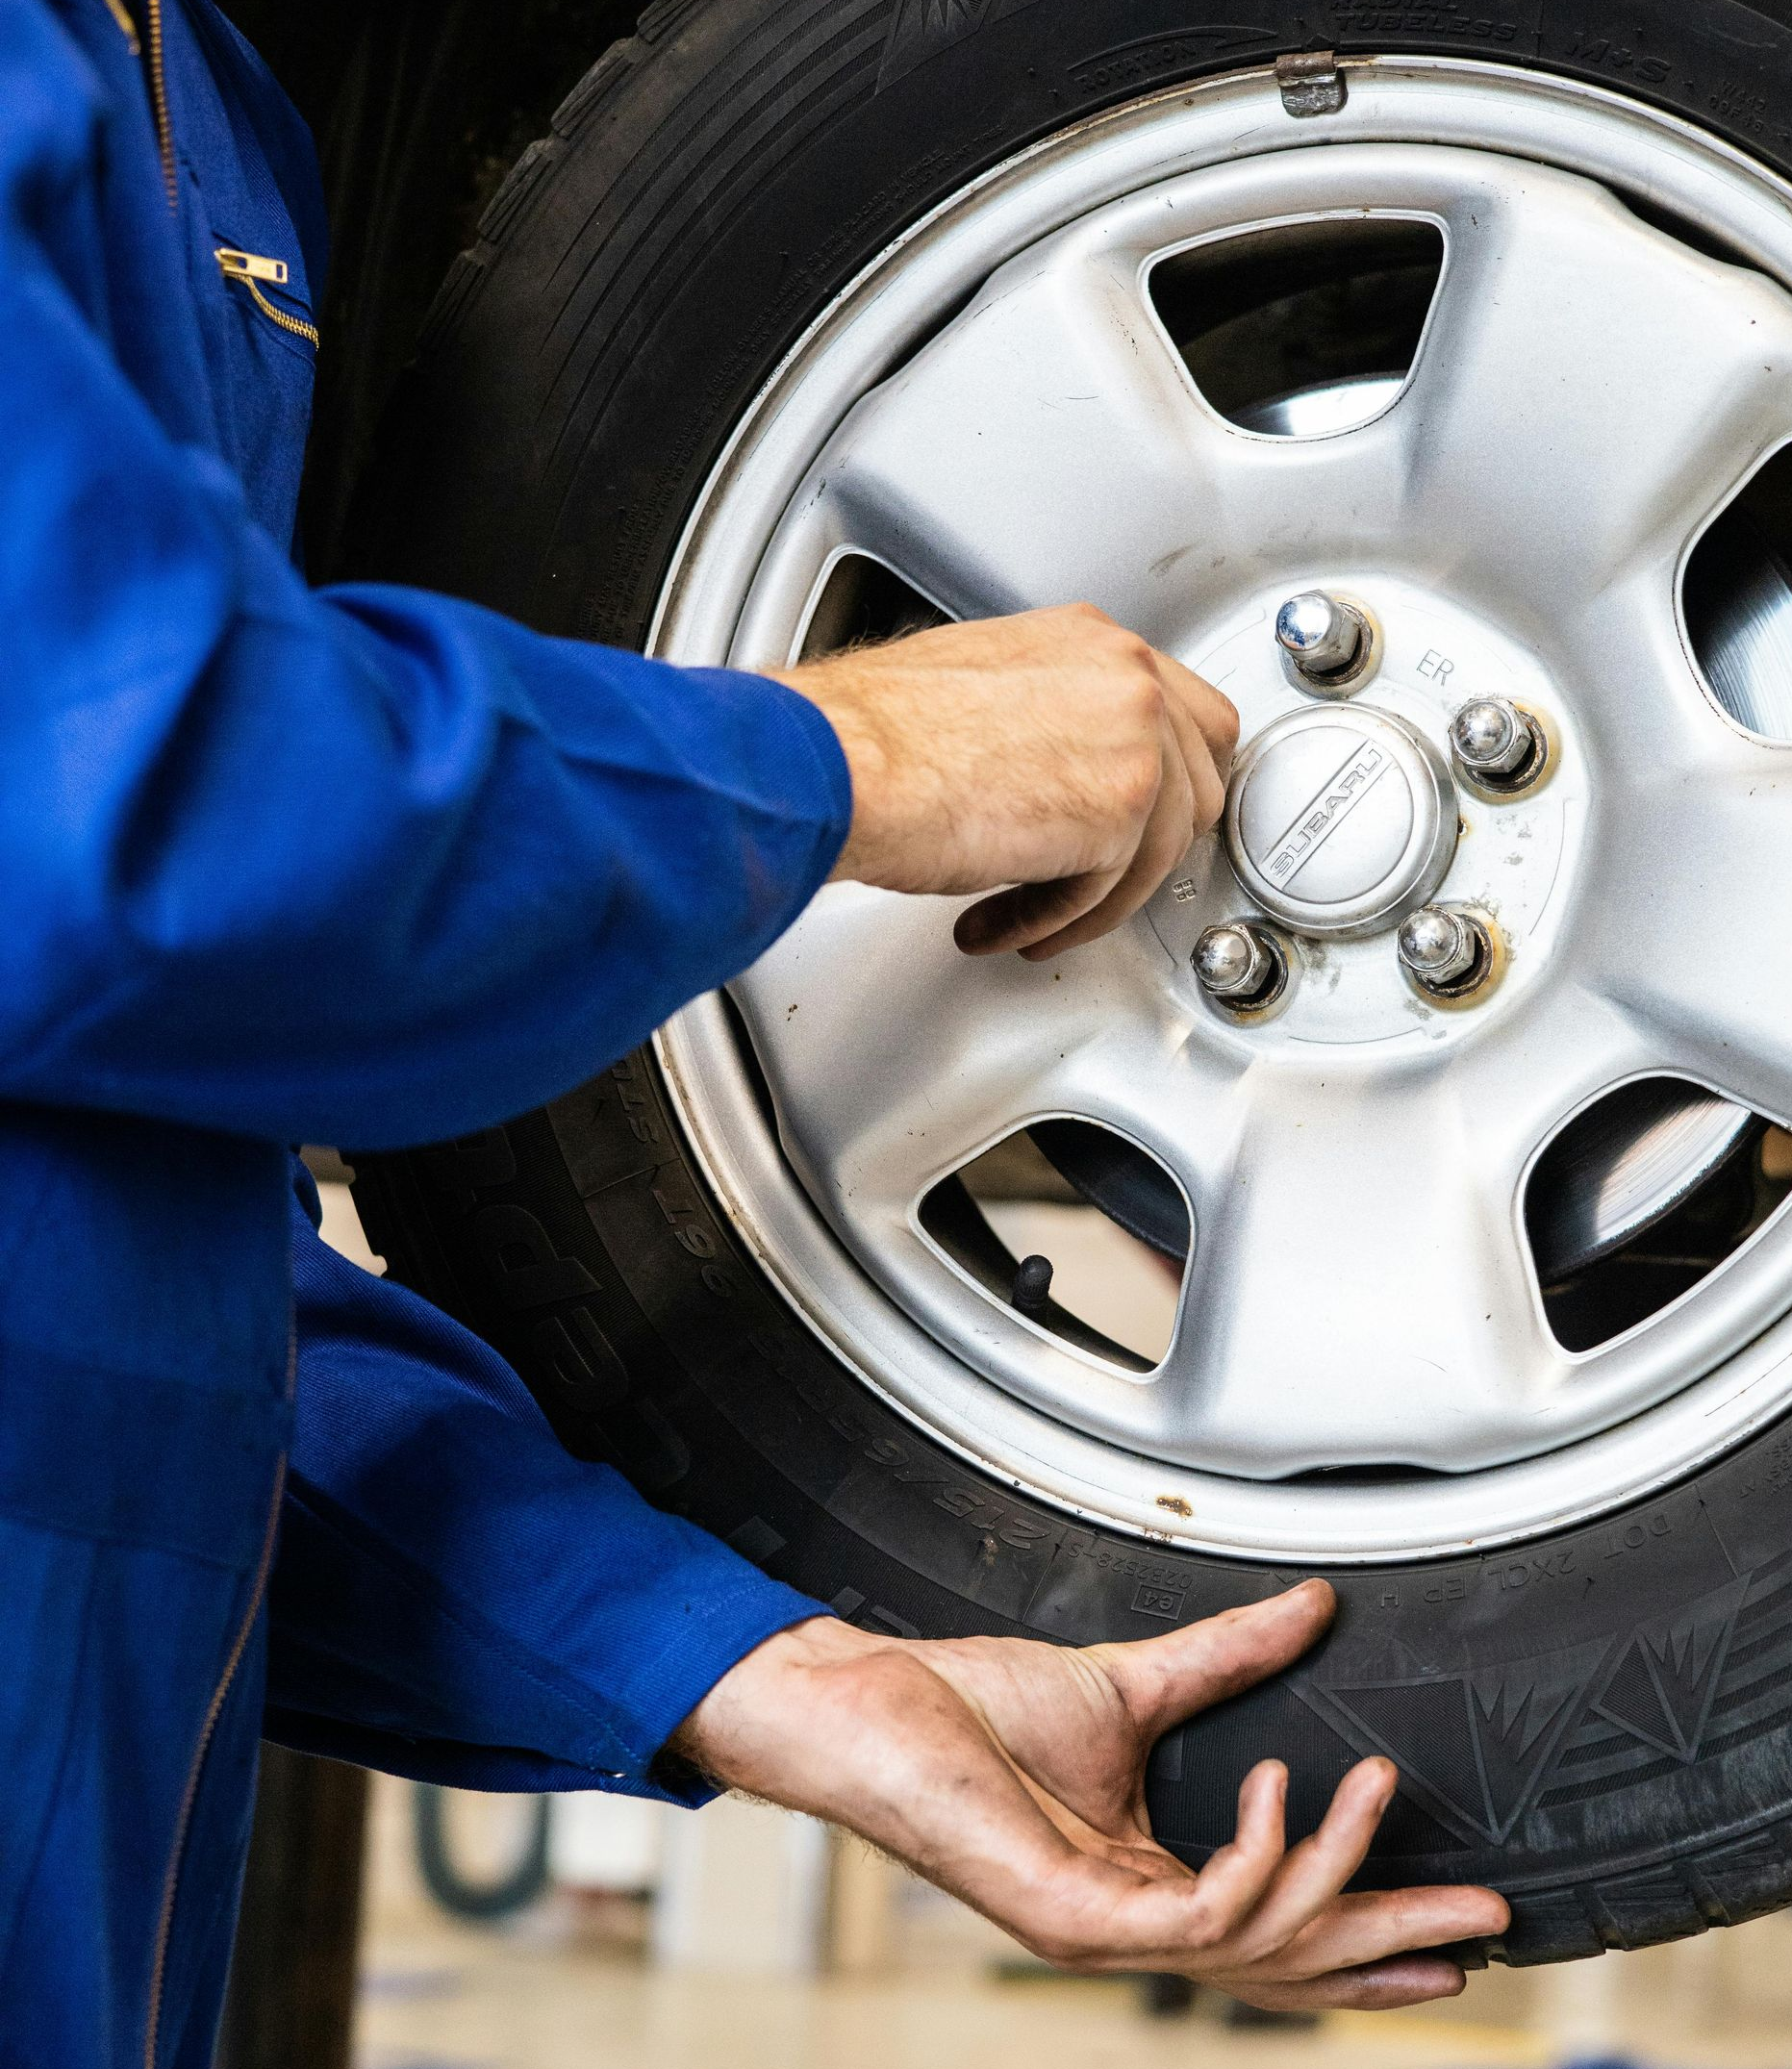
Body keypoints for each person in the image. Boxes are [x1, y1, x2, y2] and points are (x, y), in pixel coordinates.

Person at [0, 2, 1508, 2062]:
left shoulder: (223, 121)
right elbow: (111, 798)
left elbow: (125, 1241)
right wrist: (859, 757)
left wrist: (771, 1669)